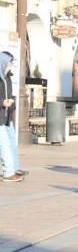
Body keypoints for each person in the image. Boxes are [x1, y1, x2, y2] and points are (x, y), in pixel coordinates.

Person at [0, 52, 25, 182]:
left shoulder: (7, 77)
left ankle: (13, 168)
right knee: (4, 144)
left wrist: (10, 103)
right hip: (1, 116)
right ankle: (8, 173)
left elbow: (8, 94)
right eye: (10, 62)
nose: (11, 65)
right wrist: (2, 102)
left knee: (10, 143)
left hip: (7, 116)